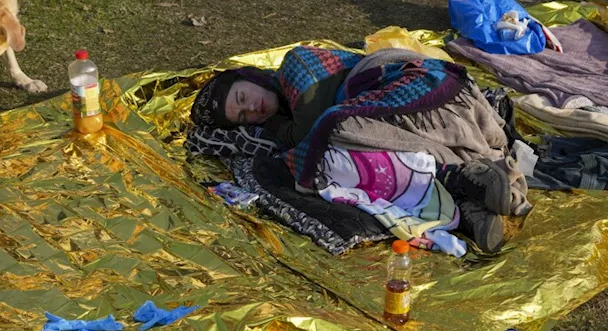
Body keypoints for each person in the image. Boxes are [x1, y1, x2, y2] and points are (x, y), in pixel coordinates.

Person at [189, 46, 530, 254]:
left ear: (249, 77)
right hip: (408, 125)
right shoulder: (284, 112)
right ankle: (469, 201)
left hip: (425, 89)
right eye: (245, 116)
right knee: (340, 162)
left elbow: (311, 129)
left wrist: (277, 132)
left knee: (335, 130)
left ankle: (460, 177)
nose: (254, 109)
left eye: (242, 97)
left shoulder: (296, 65)